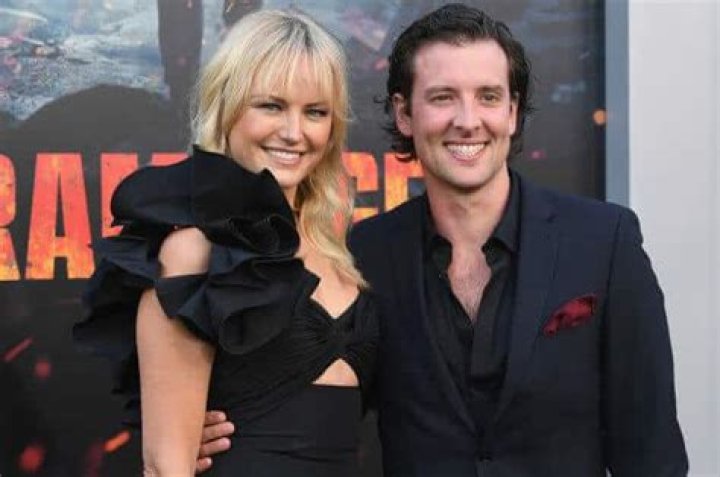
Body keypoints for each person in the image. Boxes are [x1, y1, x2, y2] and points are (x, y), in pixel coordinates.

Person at [198, 3, 688, 476]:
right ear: (404, 114)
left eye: (488, 96)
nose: (468, 120)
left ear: (513, 112)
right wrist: (206, 429)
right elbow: (320, 401)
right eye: (442, 97)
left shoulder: (603, 243)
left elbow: (653, 454)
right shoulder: (363, 255)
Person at [74, 9, 376, 477]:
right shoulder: (195, 250)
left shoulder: (338, 253)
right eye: (271, 106)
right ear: (228, 106)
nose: (294, 132)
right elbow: (165, 466)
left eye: (315, 112)